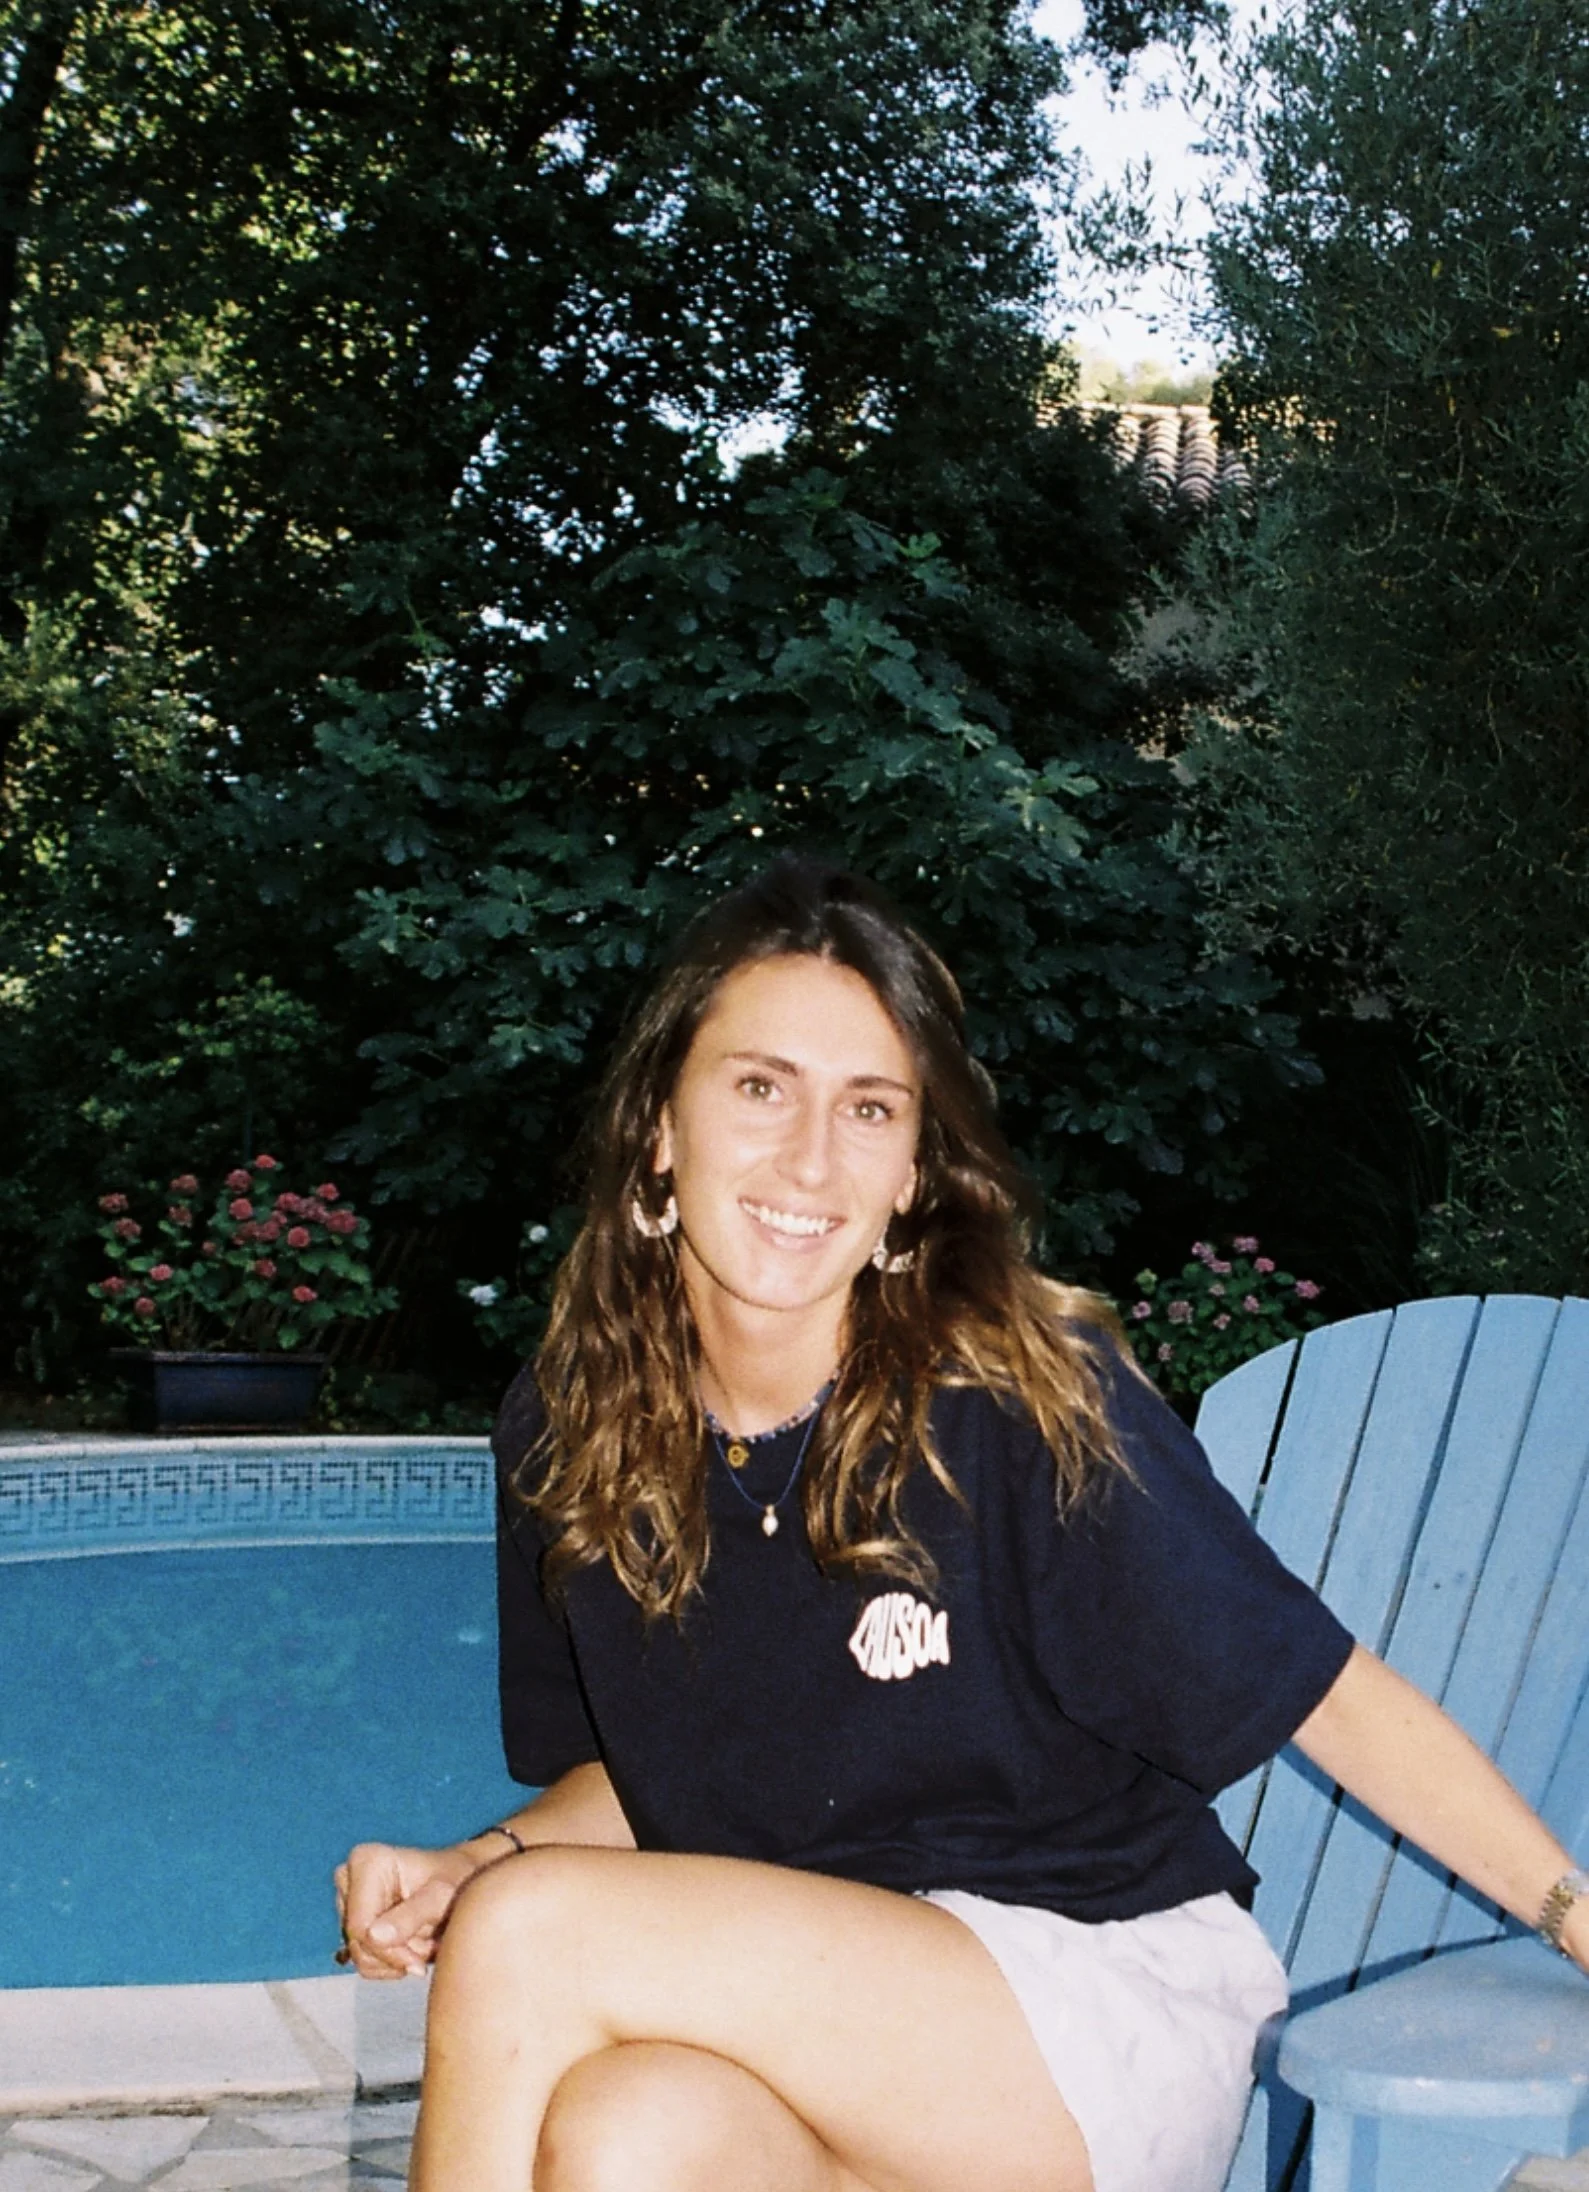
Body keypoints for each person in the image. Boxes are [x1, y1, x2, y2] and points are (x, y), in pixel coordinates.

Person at [336, 856, 1588, 2192]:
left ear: (910, 1171)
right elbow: (638, 1787)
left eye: (868, 1110)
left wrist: (1575, 1913)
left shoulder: (1008, 1406)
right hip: (845, 2033)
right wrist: (481, 1857)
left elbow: (1326, 1694)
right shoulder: (571, 1429)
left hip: (1092, 1999)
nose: (808, 1159)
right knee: (621, 2130)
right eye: (761, 1089)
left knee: (529, 1938)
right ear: (661, 1127)